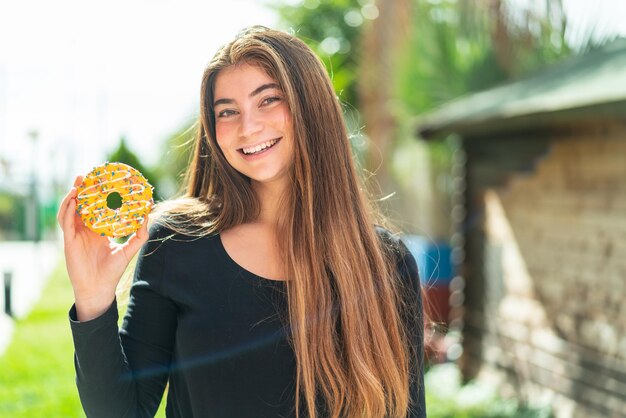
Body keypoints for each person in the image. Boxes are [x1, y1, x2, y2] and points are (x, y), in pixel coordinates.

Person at [57, 26, 425, 418]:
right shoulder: (177, 244)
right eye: (227, 111)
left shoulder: (385, 262)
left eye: (268, 100)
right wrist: (94, 299)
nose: (248, 127)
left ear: (311, 107)